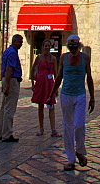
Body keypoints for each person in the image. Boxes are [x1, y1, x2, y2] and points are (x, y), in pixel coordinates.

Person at [53, 34, 95, 171]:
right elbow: (59, 75)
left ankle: (80, 151)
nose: (73, 50)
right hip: (66, 94)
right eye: (71, 48)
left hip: (80, 94)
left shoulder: (85, 58)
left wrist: (92, 97)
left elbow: (89, 77)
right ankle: (70, 159)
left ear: (78, 46)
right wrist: (52, 92)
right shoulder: (64, 58)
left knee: (79, 125)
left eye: (75, 47)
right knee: (67, 127)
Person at [30, 39, 60, 137]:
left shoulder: (53, 59)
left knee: (51, 106)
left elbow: (56, 73)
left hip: (49, 84)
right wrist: (33, 84)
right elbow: (32, 70)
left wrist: (56, 88)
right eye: (45, 46)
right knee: (40, 106)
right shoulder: (38, 58)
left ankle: (53, 129)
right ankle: (41, 128)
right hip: (40, 83)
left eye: (48, 46)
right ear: (42, 47)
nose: (47, 47)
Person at [0, 34, 23, 143]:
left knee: (4, 107)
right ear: (15, 41)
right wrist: (7, 86)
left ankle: (1, 132)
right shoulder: (12, 53)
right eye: (20, 42)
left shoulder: (7, 51)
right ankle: (7, 134)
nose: (21, 44)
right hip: (12, 80)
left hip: (7, 80)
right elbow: (9, 69)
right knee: (9, 108)